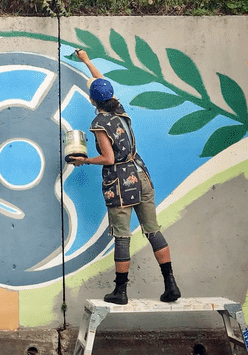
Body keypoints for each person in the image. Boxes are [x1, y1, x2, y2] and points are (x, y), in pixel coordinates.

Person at [69, 48, 181, 305]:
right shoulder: (119, 109)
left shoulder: (99, 123)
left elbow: (108, 159)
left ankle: (120, 292)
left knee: (122, 235)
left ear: (91, 99)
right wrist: (87, 61)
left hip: (119, 183)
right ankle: (171, 285)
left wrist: (83, 160)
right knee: (153, 230)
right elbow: (101, 83)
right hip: (140, 174)